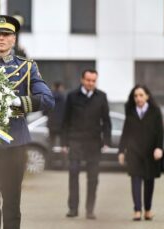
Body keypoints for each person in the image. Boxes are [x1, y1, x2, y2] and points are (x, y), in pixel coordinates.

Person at [0, 15, 54, 229]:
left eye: (6, 34)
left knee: (11, 204)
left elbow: (47, 99)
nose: (1, 38)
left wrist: (20, 102)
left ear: (13, 39)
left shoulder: (27, 68)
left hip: (14, 145)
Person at [62, 69, 111, 219]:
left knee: (93, 178)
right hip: (75, 141)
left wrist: (106, 141)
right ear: (82, 80)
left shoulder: (101, 97)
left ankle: (90, 210)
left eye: (93, 81)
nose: (91, 83)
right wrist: (64, 142)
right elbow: (65, 120)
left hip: (94, 143)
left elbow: (106, 121)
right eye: (88, 80)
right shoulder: (72, 96)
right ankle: (73, 209)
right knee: (74, 174)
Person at [118, 85, 163, 221]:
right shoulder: (131, 112)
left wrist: (159, 148)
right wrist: (121, 151)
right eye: (136, 96)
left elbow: (160, 132)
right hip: (134, 152)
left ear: (147, 96)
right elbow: (125, 133)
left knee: (149, 182)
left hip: (150, 153)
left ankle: (148, 210)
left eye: (141, 95)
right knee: (135, 181)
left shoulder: (155, 112)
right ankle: (137, 210)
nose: (138, 98)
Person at [44, 81, 66, 167]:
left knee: (51, 145)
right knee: (63, 145)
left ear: (53, 87)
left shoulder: (49, 98)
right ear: (60, 87)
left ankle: (49, 165)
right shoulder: (64, 98)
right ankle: (64, 165)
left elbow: (44, 112)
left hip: (51, 124)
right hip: (62, 125)